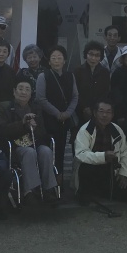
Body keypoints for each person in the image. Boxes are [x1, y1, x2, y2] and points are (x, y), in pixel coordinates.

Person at [0, 79, 58, 205]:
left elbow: (43, 133)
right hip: (15, 146)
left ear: (31, 94)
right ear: (14, 91)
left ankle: (49, 189)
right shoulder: (4, 107)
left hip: (35, 143)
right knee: (29, 152)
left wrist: (35, 128)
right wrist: (22, 124)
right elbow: (2, 130)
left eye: (27, 89)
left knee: (46, 151)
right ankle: (30, 191)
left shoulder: (36, 108)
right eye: (20, 89)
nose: (23, 92)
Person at [72, 101, 127, 203]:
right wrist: (103, 156)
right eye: (101, 111)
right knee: (85, 198)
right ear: (95, 113)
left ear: (112, 115)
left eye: (108, 112)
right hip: (89, 169)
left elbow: (124, 152)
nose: (104, 115)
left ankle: (101, 191)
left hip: (110, 170)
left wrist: (124, 173)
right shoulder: (85, 130)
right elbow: (81, 154)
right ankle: (86, 192)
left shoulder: (117, 130)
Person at [35, 44, 79, 182]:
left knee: (60, 150)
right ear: (49, 61)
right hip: (47, 120)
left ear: (64, 60)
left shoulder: (70, 76)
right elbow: (41, 99)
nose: (56, 61)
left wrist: (67, 113)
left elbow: (75, 96)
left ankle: (59, 181)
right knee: (48, 150)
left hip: (65, 120)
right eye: (53, 58)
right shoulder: (43, 76)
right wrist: (57, 114)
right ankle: (46, 181)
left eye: (59, 58)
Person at [73, 40, 111, 127]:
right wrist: (84, 108)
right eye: (91, 54)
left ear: (101, 57)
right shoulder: (78, 71)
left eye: (97, 55)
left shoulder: (105, 72)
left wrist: (96, 108)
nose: (93, 58)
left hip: (99, 111)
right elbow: (75, 92)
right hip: (80, 111)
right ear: (86, 54)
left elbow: (105, 93)